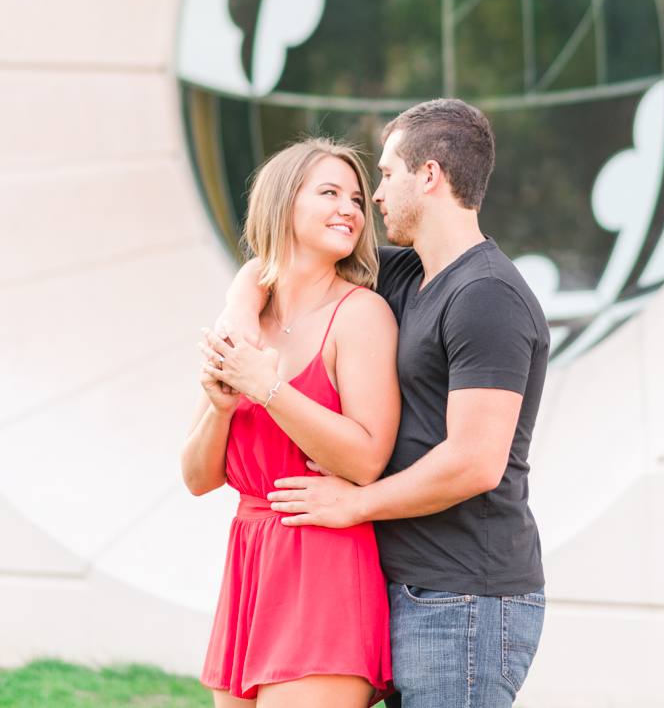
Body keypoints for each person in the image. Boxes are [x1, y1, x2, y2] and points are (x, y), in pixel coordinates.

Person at [218, 99, 550, 708]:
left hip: (466, 597)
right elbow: (281, 266)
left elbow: (476, 462)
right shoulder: (405, 276)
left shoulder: (488, 296)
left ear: (429, 177)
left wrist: (356, 504)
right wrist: (240, 306)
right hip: (408, 586)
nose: (373, 197)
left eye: (388, 174)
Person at [182, 137, 399, 708]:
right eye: (329, 192)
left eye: (356, 197)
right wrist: (222, 410)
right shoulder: (243, 320)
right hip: (251, 562)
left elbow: (368, 458)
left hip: (323, 563)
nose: (351, 208)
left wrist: (268, 389)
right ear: (282, 203)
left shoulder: (362, 314)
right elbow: (197, 477)